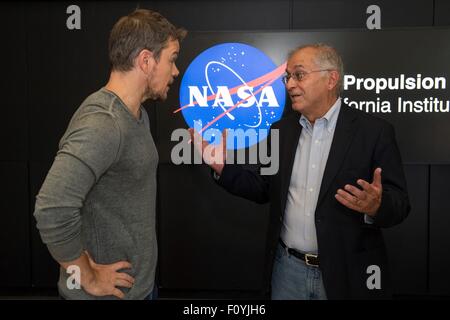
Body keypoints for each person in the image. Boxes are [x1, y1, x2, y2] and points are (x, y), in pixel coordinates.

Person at [191, 44, 410, 299]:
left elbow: (400, 204)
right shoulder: (282, 130)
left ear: (331, 79)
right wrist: (223, 168)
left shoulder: (374, 132)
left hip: (346, 274)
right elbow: (263, 187)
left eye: (299, 75)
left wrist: (376, 205)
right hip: (287, 271)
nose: (290, 85)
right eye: (288, 77)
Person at [33, 9, 186, 300]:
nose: (175, 71)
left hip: (137, 288)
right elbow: (51, 209)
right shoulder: (105, 122)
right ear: (145, 61)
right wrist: (86, 277)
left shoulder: (137, 114)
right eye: (172, 59)